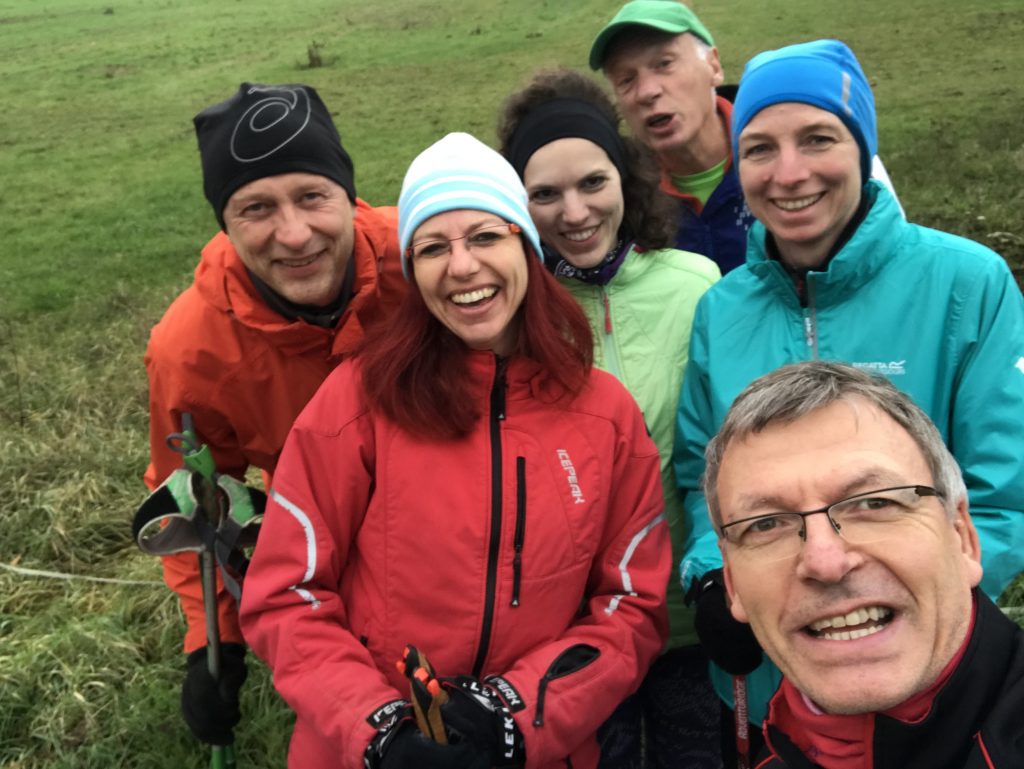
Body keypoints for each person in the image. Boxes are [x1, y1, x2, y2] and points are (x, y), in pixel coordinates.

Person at [238, 132, 671, 769]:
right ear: (413, 271)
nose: (462, 267)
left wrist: (514, 716)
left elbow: (631, 607)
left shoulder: (605, 415)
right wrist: (378, 728)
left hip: (537, 749)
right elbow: (286, 594)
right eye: (433, 248)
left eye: (486, 237)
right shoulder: (357, 402)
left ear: (527, 247)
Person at [673, 38, 1024, 765]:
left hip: (927, 681)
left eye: (818, 139)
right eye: (760, 149)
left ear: (863, 149)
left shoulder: (968, 283)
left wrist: (890, 600)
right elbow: (700, 470)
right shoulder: (721, 308)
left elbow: (1004, 491)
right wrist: (713, 573)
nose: (789, 172)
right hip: (767, 673)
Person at [143, 82, 406, 747]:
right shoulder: (191, 349)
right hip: (329, 545)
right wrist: (213, 639)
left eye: (312, 196)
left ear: (348, 194)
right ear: (224, 223)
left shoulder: (422, 256)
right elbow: (197, 501)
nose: (294, 234)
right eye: (256, 207)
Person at [497, 68, 720, 769]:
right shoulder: (509, 313)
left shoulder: (696, 284)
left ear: (626, 176)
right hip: (576, 627)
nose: (575, 212)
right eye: (545, 194)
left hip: (696, 612)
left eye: (593, 182)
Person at [705, 361, 1024, 768]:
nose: (824, 561)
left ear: (962, 539)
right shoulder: (776, 753)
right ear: (732, 582)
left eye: (875, 503)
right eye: (766, 524)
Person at [588, 1, 900, 276]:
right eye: (626, 80)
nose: (647, 91)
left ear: (713, 65)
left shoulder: (824, 155)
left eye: (664, 64)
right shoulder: (617, 196)